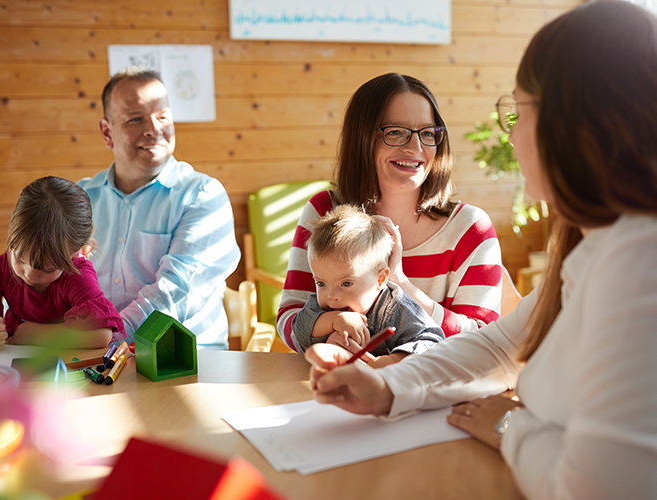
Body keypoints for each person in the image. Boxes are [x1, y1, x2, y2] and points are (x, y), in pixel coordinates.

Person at [306, 2, 657, 498]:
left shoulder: (640, 265)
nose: (509, 134)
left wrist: (510, 428)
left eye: (518, 111)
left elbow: (595, 488)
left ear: (575, 124)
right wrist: (387, 389)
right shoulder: (598, 240)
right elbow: (499, 346)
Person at [278, 73, 502, 352]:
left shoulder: (471, 228)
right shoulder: (324, 211)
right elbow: (288, 318)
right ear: (361, 139)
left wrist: (399, 282)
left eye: (428, 133)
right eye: (395, 132)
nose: (416, 148)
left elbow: (486, 341)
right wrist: (335, 324)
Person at [77, 67, 241, 349]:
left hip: (184, 362)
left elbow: (175, 294)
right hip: (95, 358)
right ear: (107, 132)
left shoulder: (203, 195)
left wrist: (106, 337)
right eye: (136, 119)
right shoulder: (79, 199)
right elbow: (46, 276)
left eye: (163, 116)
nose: (154, 129)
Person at [0, 176, 125, 353]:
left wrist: (35, 335)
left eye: (47, 269)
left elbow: (101, 334)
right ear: (12, 238)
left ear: (77, 252)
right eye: (19, 259)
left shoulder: (77, 275)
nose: (29, 274)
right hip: (15, 357)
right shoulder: (2, 267)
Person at [292, 204, 444, 363]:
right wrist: (334, 320)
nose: (331, 296)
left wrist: (393, 361)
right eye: (321, 283)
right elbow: (299, 329)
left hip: (387, 384)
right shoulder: (322, 308)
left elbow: (433, 341)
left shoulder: (396, 310)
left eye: (346, 283)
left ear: (380, 279)